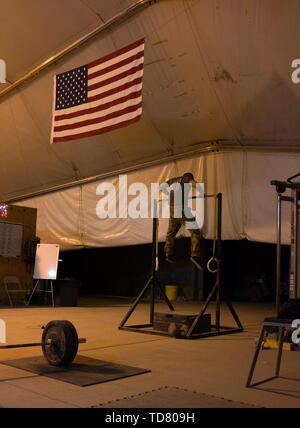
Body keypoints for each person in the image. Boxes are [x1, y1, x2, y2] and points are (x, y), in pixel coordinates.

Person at [163, 172, 204, 270]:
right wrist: (201, 190)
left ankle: (168, 254)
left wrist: (171, 196)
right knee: (195, 230)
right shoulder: (186, 178)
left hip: (172, 209)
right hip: (180, 208)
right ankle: (195, 255)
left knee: (171, 233)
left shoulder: (172, 180)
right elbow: (194, 184)